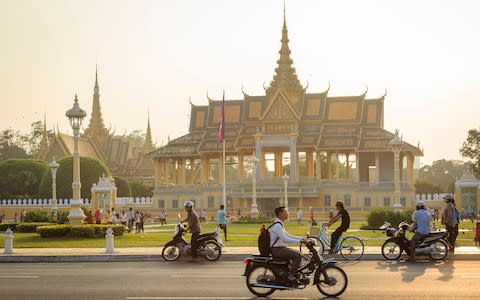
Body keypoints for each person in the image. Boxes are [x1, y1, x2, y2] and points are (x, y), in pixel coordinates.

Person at [269, 206, 308, 286]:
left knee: (299, 254)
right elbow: (285, 239)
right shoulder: (277, 226)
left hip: (280, 248)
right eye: (285, 212)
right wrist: (300, 241)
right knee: (297, 256)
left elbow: (289, 236)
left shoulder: (280, 224)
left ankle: (290, 272)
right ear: (280, 214)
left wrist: (303, 238)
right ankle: (291, 276)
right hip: (277, 250)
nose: (287, 213)